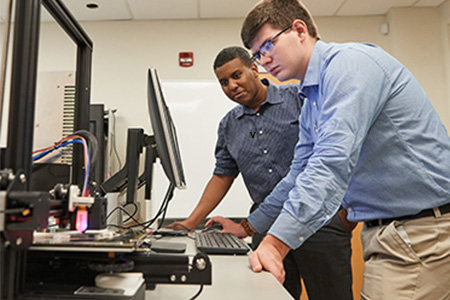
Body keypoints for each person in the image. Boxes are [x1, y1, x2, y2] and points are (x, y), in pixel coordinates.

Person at [214, 0, 450, 299]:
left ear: (299, 30)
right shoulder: (312, 96)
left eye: (267, 46)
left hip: (422, 230)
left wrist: (276, 244)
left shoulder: (348, 66)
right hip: (390, 232)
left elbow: (331, 162)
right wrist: (249, 227)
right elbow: (297, 175)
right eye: (258, 54)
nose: (263, 61)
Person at [167, 46, 354, 299]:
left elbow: (339, 149)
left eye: (236, 76)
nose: (231, 85)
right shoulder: (230, 125)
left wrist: (348, 211)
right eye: (223, 82)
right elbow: (223, 175)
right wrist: (190, 222)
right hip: (266, 228)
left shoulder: (298, 98)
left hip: (318, 222)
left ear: (253, 69)